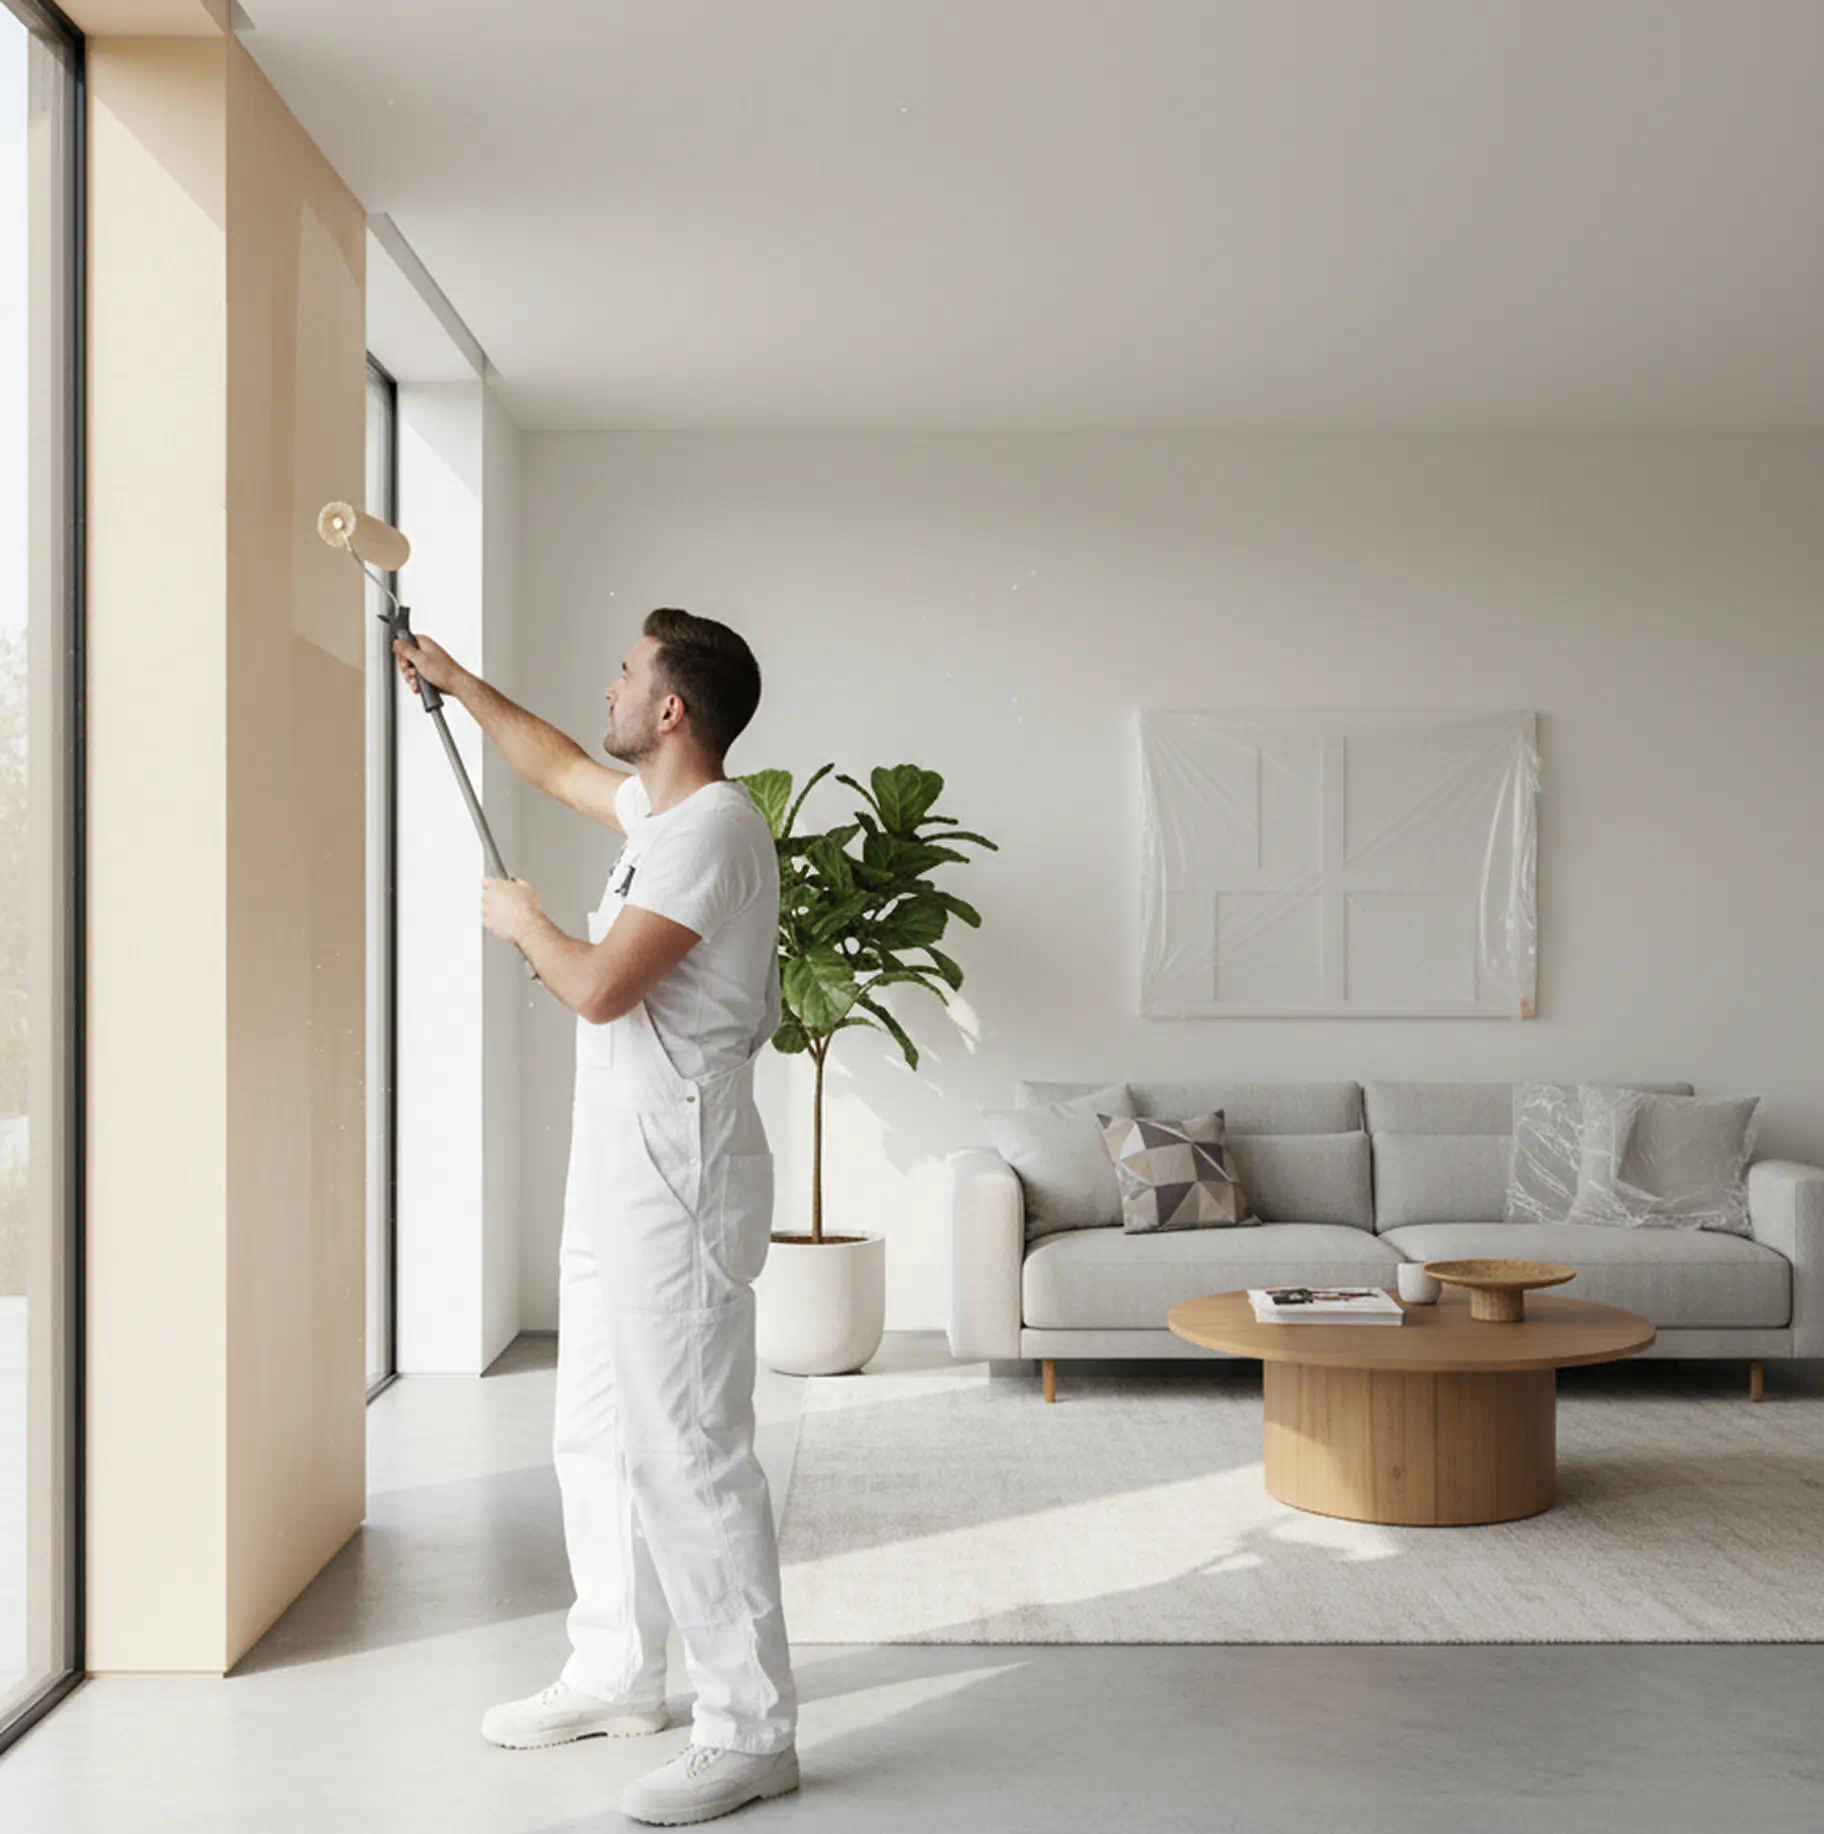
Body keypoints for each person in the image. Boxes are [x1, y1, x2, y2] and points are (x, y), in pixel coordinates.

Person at [393, 608, 799, 1826]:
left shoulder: (712, 832)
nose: (612, 687)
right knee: (595, 1426)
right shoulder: (664, 816)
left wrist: (525, 924)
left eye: (629, 674)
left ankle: (751, 1729)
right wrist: (456, 679)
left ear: (673, 709)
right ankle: (618, 1668)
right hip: (620, 1153)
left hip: (680, 1164)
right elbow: (561, 762)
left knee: (687, 1444)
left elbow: (599, 986)